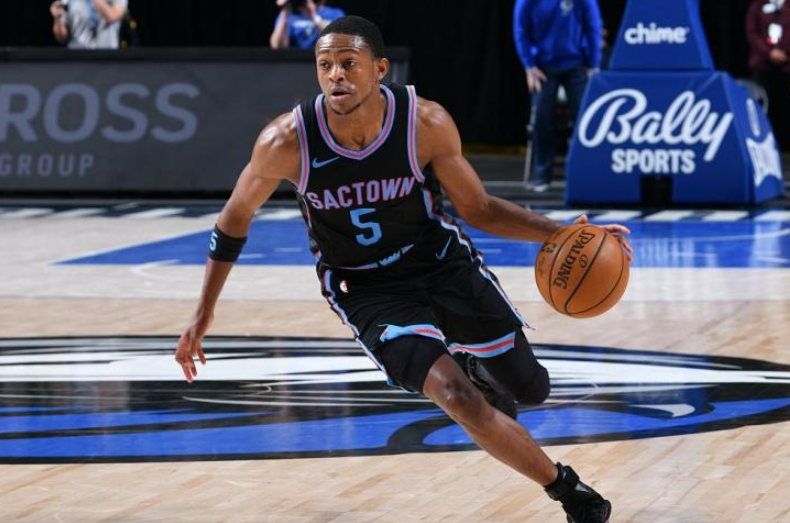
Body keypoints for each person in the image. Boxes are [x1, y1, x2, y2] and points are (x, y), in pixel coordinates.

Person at [176, 16, 632, 523]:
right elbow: (234, 218)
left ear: (380, 69)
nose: (335, 76)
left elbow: (478, 208)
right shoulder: (286, 140)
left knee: (531, 390)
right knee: (458, 398)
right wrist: (203, 312)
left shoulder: (424, 124)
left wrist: (561, 233)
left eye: (348, 63)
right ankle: (570, 492)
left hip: (440, 264)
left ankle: (477, 365)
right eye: (324, 66)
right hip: (366, 288)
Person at [513, 0, 603, 192]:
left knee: (585, 120)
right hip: (543, 67)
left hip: (577, 65)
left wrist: (594, 65)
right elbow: (520, 30)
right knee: (542, 119)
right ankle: (542, 175)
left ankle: (587, 175)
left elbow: (594, 26)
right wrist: (529, 66)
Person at [746, 0, 790, 146]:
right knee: (760, 105)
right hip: (762, 65)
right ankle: (760, 142)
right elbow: (751, 32)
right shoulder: (758, 5)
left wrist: (785, 53)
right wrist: (769, 53)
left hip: (787, 65)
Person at [50, 0, 128, 49]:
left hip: (106, 55)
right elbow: (61, 38)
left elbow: (112, 16)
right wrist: (57, 18)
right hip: (77, 56)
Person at [269, 0, 345, 49]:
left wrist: (314, 17)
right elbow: (277, 45)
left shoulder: (335, 13)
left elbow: (338, 41)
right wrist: (285, 11)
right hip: (298, 62)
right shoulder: (290, 15)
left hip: (325, 60)